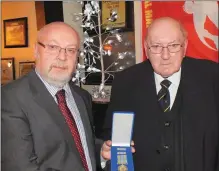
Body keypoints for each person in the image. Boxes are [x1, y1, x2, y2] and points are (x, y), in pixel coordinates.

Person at [101, 17, 219, 171]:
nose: (165, 55)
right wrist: (105, 154)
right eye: (156, 46)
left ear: (185, 47)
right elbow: (111, 136)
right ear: (146, 48)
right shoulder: (125, 82)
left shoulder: (213, 77)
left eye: (173, 46)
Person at [1, 22, 104, 171]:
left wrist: (100, 151)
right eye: (53, 47)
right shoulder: (10, 98)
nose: (62, 57)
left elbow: (77, 144)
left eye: (71, 50)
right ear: (36, 51)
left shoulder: (82, 97)